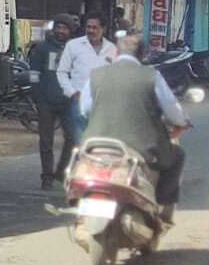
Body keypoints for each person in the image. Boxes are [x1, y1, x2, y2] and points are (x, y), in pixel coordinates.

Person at [80, 30, 188, 216]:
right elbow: (171, 109)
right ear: (143, 55)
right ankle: (162, 209)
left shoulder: (96, 74)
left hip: (95, 145)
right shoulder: (151, 75)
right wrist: (182, 121)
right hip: (140, 147)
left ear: (116, 53)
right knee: (177, 155)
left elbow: (85, 109)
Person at [30, 15, 79, 188]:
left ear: (70, 31)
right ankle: (47, 176)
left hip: (68, 102)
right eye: (58, 27)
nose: (61, 31)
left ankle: (61, 171)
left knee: (73, 138)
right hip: (46, 101)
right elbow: (34, 74)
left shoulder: (75, 49)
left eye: (64, 28)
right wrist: (37, 95)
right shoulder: (42, 48)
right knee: (46, 141)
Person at [58, 11, 117, 136]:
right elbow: (62, 71)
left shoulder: (112, 49)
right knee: (81, 139)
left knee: (100, 140)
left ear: (103, 29)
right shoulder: (73, 45)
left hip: (103, 103)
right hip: (79, 101)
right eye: (88, 27)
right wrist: (71, 92)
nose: (91, 30)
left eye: (95, 28)